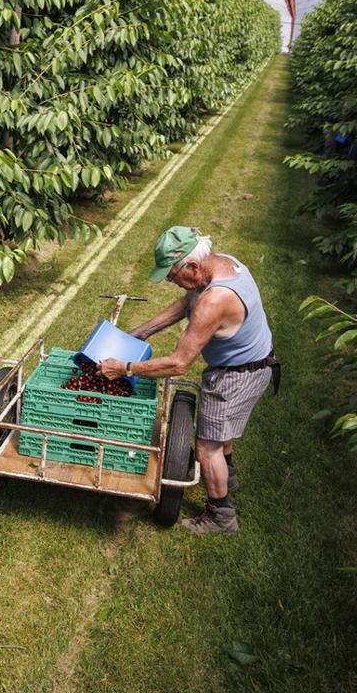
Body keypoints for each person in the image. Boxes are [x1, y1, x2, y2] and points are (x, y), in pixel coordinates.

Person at [99, 226, 279, 534]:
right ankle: (228, 473)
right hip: (253, 361)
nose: (172, 283)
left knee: (207, 445)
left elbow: (179, 363)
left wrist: (125, 368)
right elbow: (186, 303)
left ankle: (220, 514)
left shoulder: (214, 301)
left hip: (238, 374)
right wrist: (142, 332)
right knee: (221, 427)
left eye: (171, 276)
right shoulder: (222, 264)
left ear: (192, 266)